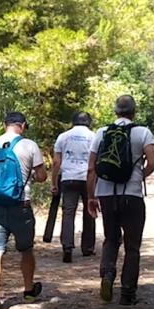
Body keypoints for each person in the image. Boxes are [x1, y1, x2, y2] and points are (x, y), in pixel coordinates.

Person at [86, 96, 154, 306]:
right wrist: (138, 176)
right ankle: (128, 292)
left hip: (106, 194)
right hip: (132, 195)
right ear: (134, 111)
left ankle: (107, 275)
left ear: (115, 111)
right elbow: (152, 163)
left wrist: (91, 197)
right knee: (132, 245)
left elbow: (91, 169)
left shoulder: (101, 132)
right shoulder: (142, 132)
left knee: (111, 238)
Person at [0, 112, 46, 309]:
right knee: (26, 250)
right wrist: (30, 174)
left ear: (4, 125)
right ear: (22, 126)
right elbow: (42, 177)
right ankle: (28, 291)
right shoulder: (29, 145)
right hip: (21, 206)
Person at [50, 112, 96, 263]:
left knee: (68, 212)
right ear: (89, 122)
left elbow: (56, 162)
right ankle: (87, 248)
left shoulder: (63, 137)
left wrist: (54, 182)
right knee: (89, 211)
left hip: (68, 178)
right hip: (87, 178)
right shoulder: (93, 136)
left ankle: (67, 247)